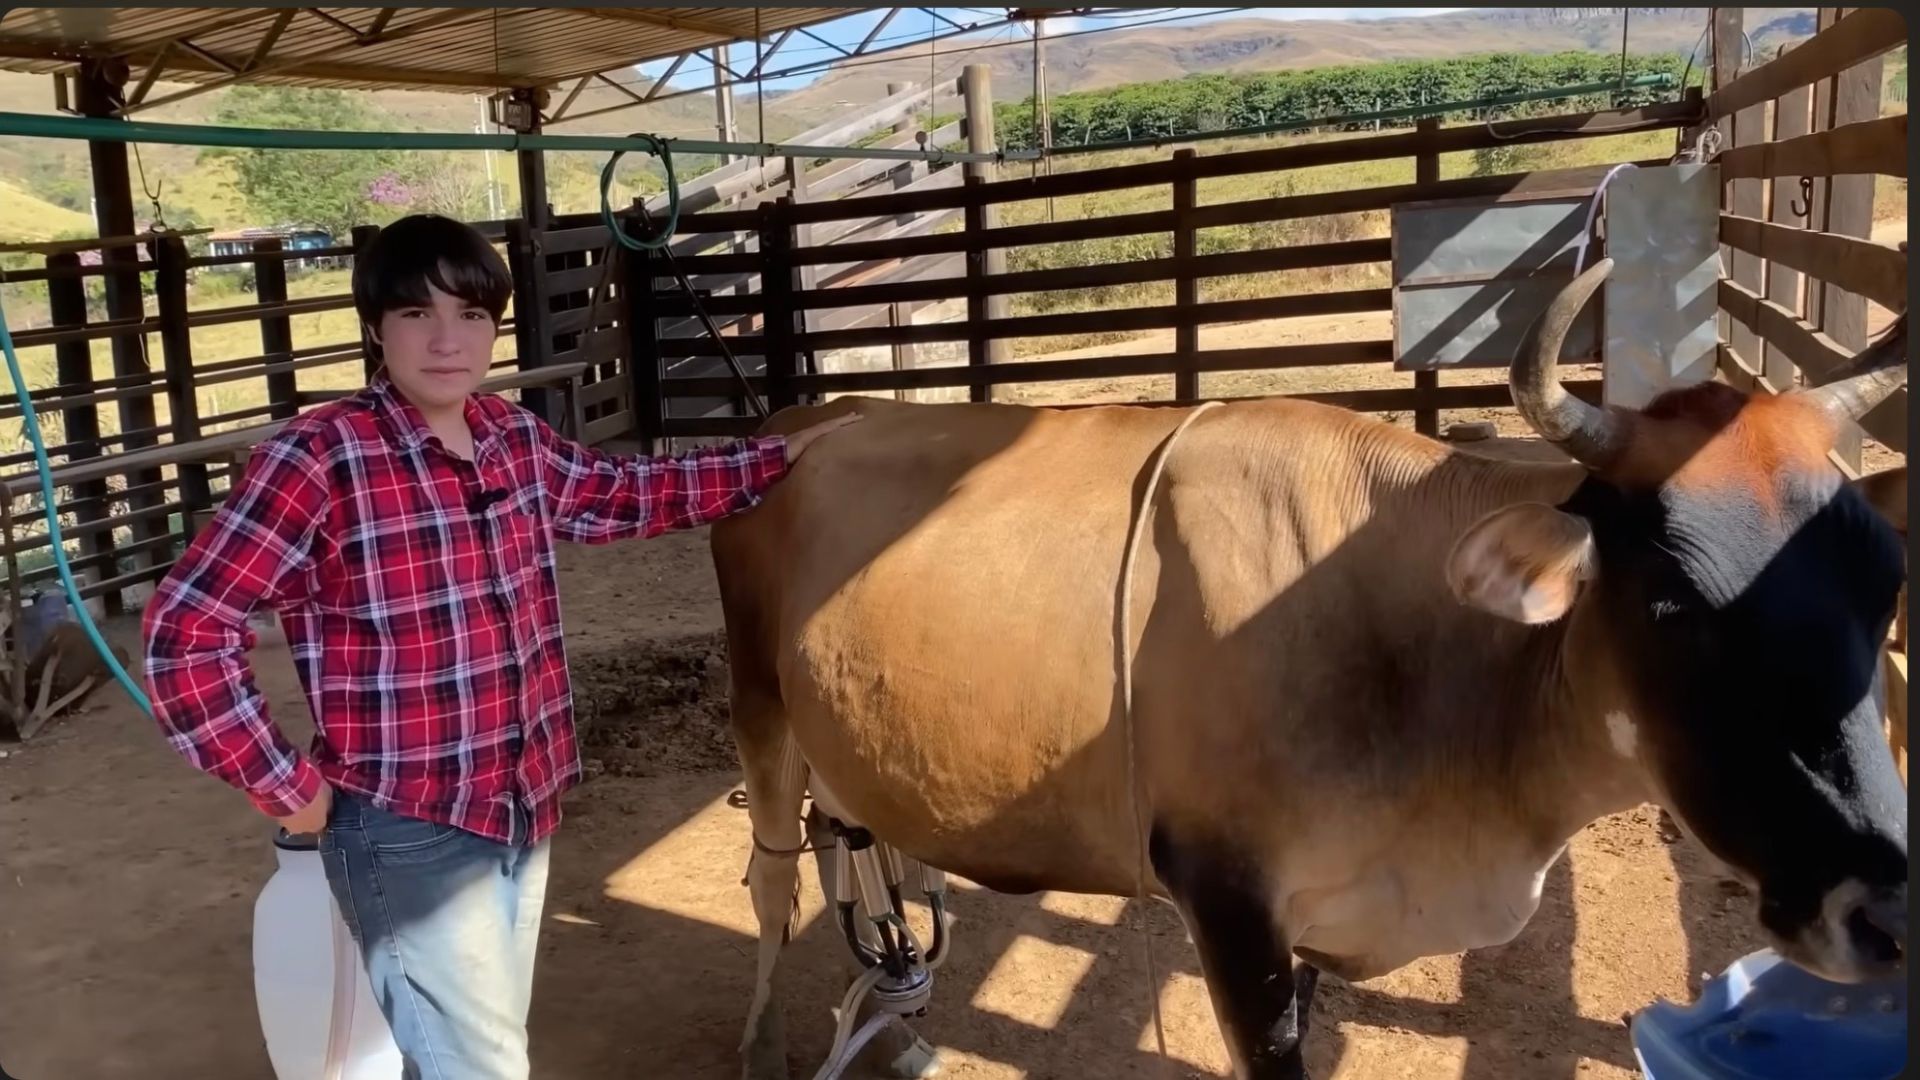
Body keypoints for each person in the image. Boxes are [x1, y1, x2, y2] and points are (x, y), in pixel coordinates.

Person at [141, 213, 857, 1078]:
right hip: (407, 821)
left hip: (524, 801)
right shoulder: (319, 458)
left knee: (464, 1054)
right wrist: (284, 786)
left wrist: (774, 460)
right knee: (481, 1067)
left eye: (471, 316)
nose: (447, 340)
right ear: (376, 327)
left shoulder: (509, 436)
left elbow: (622, 492)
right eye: (417, 315)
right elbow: (185, 631)